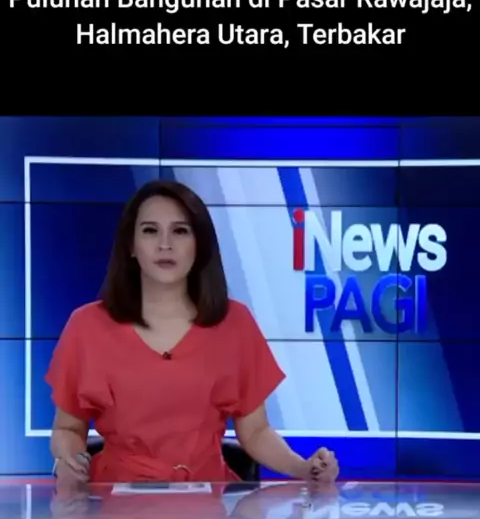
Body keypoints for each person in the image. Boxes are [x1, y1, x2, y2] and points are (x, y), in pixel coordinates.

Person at [45, 179, 339, 488]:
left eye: (180, 231)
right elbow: (67, 429)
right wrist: (70, 460)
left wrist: (304, 468)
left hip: (207, 502)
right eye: (150, 231)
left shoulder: (235, 323)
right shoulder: (87, 326)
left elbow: (255, 432)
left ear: (198, 244)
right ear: (130, 245)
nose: (165, 245)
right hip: (116, 502)